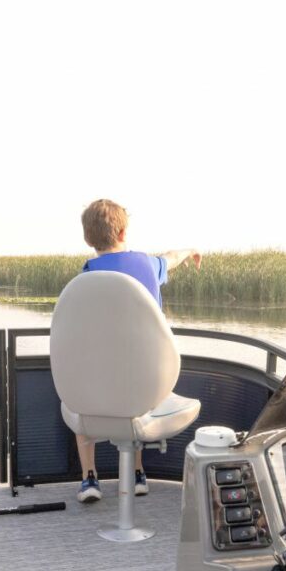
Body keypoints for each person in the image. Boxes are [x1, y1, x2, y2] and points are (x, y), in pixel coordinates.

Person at [73, 198, 201, 503]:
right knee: (137, 392)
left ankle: (89, 479)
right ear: (122, 233)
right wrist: (192, 251)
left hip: (99, 389)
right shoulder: (148, 264)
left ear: (88, 239)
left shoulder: (86, 277)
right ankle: (137, 474)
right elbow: (172, 256)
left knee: (80, 406)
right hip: (148, 388)